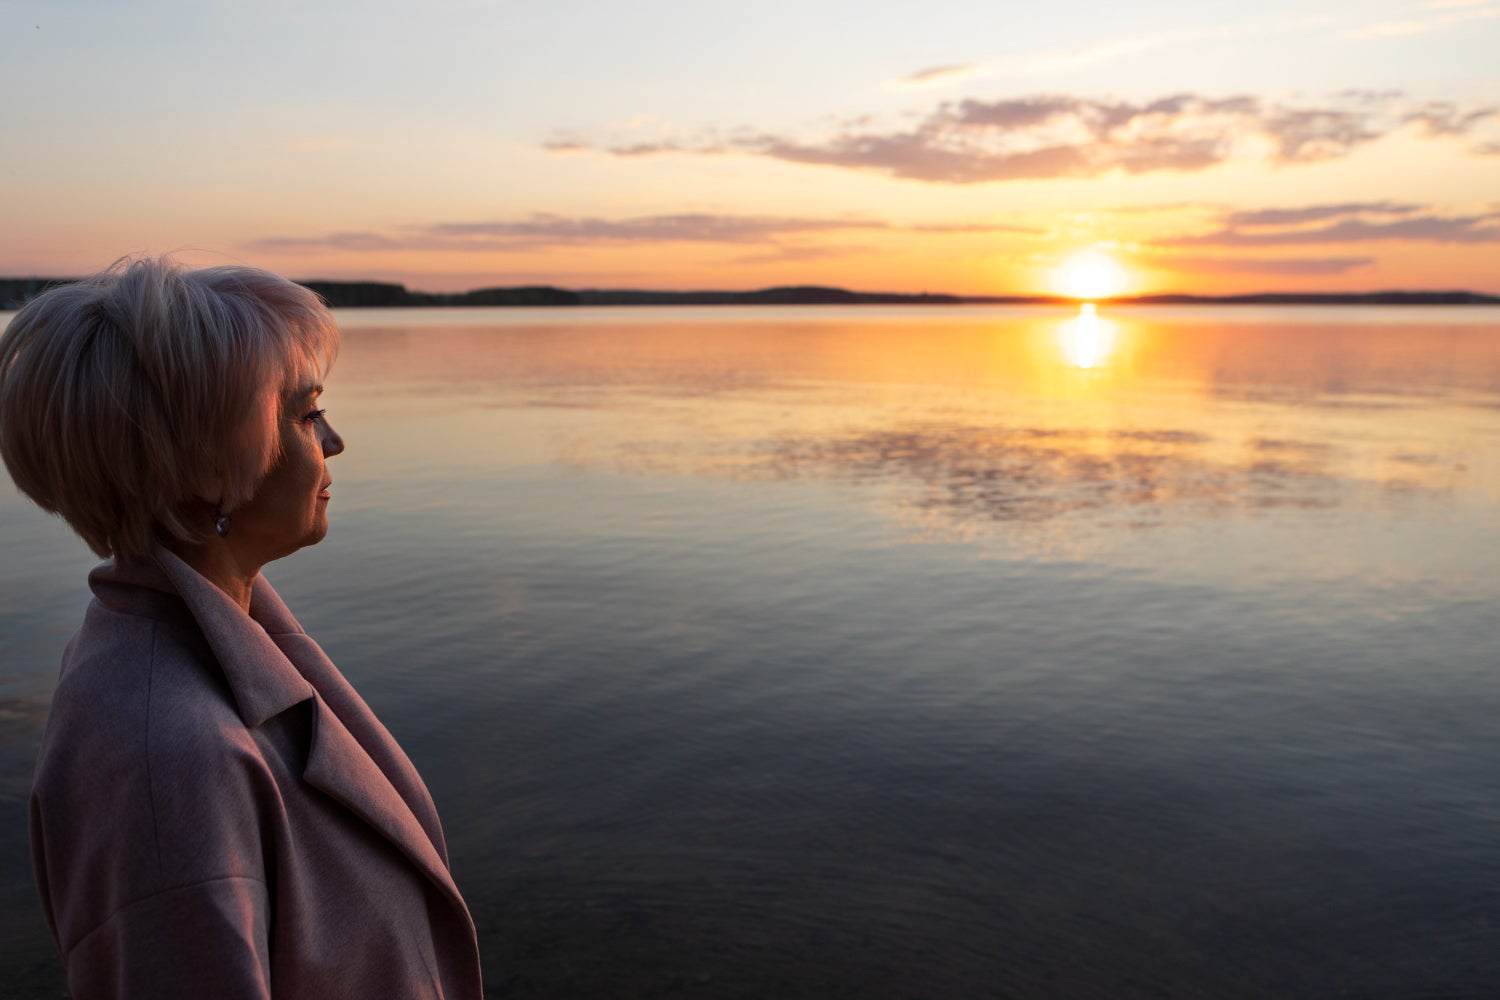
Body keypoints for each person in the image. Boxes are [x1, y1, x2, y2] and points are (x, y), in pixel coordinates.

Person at [0, 257, 483, 998]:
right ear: (203, 473)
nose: (333, 441)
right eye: (304, 413)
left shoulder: (213, 648)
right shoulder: (166, 762)